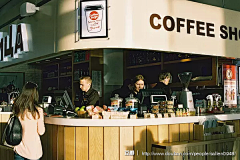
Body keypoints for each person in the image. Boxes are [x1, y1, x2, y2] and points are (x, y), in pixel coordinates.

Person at [12, 82, 45, 160]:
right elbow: (41, 131)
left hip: (19, 149)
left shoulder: (18, 109)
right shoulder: (38, 111)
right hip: (33, 151)